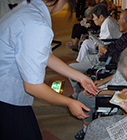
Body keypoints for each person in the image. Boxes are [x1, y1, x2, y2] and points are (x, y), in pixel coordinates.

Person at [0, 0, 99, 139]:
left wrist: (80, 77)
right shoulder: (36, 24)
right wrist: (69, 102)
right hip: (6, 98)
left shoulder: (28, 8)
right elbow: (32, 86)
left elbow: (45, 55)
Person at [74, 21, 127, 140]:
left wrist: (100, 92)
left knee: (83, 97)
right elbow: (118, 73)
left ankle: (85, 129)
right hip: (111, 86)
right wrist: (102, 82)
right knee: (88, 87)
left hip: (119, 93)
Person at [69, 9, 127, 99]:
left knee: (71, 68)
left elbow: (120, 60)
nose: (117, 22)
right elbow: (115, 44)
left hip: (106, 62)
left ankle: (77, 91)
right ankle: (82, 86)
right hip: (104, 57)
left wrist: (106, 51)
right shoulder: (125, 35)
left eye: (120, 20)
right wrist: (106, 48)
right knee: (86, 57)